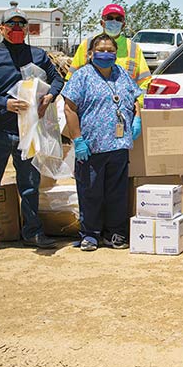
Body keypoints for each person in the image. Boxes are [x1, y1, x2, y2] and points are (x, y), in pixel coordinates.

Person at [0, 4, 64, 258]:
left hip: (29, 132)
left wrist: (50, 96)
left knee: (30, 185)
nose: (17, 29)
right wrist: (4, 103)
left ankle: (32, 232)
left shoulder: (38, 55)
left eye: (21, 24)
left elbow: (57, 79)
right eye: (12, 24)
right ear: (1, 29)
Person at [63, 34, 144, 251]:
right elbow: (69, 108)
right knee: (91, 192)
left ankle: (115, 233)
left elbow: (135, 99)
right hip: (91, 146)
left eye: (110, 50)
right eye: (101, 50)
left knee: (116, 194)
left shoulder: (122, 75)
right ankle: (90, 234)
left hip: (118, 146)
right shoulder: (82, 76)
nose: (106, 54)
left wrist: (136, 119)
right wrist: (78, 139)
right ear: (90, 53)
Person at [67, 3, 151, 93]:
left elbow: (144, 80)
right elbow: (72, 78)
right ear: (102, 23)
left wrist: (138, 102)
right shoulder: (87, 44)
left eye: (118, 19)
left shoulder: (134, 48)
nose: (114, 22)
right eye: (110, 18)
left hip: (125, 105)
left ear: (123, 25)